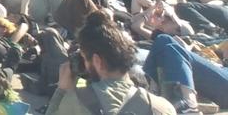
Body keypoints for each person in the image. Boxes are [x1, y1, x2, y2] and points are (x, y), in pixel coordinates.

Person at [45, 10, 173, 115]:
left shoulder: (76, 102)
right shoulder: (163, 108)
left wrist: (61, 90)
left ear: (97, 61)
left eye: (85, 59)